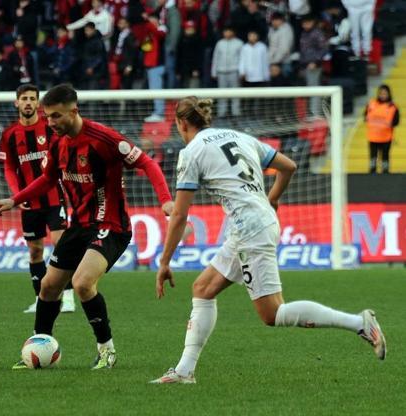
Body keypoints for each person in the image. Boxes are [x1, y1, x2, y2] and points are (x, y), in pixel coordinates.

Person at [151, 97, 387, 384]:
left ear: (181, 123)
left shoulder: (192, 152)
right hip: (254, 224)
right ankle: (184, 371)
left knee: (272, 313)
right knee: (203, 288)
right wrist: (272, 198)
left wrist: (164, 262)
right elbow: (289, 166)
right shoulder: (239, 137)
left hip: (250, 229)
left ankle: (359, 323)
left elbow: (179, 215)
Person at [0, 84, 174, 370]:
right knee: (48, 286)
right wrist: (15, 199)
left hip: (111, 225)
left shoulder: (104, 139)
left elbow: (147, 163)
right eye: (47, 116)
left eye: (56, 116)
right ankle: (39, 346)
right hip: (78, 225)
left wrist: (165, 200)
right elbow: (48, 179)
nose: (50, 122)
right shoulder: (58, 142)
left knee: (82, 283)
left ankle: (107, 351)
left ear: (74, 111)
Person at [0, 84, 75, 316]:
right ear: (17, 102)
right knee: (35, 252)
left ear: (38, 103)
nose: (28, 103)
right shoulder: (10, 134)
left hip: (53, 197)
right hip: (28, 202)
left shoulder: (50, 128)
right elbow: (9, 168)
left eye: (33, 98)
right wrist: (16, 195)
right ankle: (39, 299)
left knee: (61, 245)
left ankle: (68, 297)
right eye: (24, 99)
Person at [364, 85, 399, 174]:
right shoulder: (371, 104)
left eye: (385, 93)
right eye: (381, 93)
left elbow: (396, 121)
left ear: (388, 94)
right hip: (373, 136)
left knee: (385, 156)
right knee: (373, 156)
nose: (383, 95)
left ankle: (385, 173)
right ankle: (372, 172)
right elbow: (365, 117)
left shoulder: (392, 106)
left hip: (386, 137)